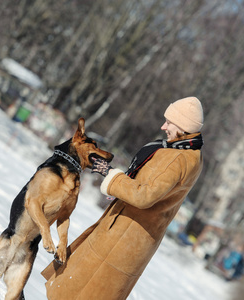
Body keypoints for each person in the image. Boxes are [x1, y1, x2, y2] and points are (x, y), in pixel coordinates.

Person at [41, 97, 204, 300]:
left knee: (85, 290)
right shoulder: (187, 153)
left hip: (124, 239)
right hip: (127, 234)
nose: (164, 127)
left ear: (183, 125)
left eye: (169, 122)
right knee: (80, 288)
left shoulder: (178, 158)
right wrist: (117, 180)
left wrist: (111, 174)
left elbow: (144, 196)